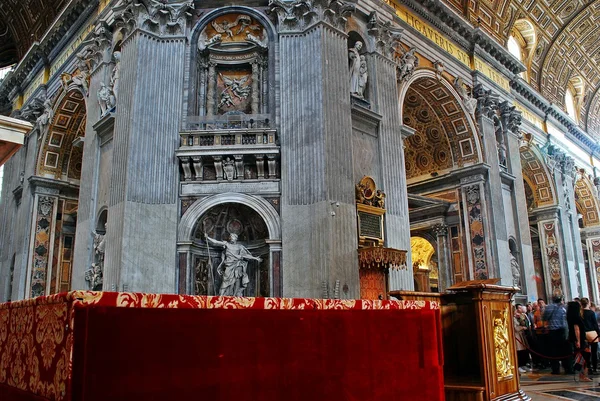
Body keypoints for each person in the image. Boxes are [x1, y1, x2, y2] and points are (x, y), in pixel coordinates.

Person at [205, 233, 262, 297]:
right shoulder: (227, 244)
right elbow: (216, 242)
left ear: (236, 238)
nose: (231, 238)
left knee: (237, 279)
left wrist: (255, 258)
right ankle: (221, 295)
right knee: (225, 280)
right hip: (229, 265)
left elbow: (245, 255)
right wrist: (208, 238)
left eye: (232, 237)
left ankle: (235, 295)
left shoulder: (240, 246)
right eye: (230, 237)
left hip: (237, 264)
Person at [543, 296, 573, 375]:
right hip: (563, 331)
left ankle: (555, 369)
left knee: (553, 351)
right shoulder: (565, 307)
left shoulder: (549, 307)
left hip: (553, 331)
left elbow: (544, 318)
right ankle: (568, 368)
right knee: (565, 351)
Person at [567, 301, 592, 381]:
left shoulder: (571, 317)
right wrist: (578, 341)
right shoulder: (576, 318)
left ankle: (582, 374)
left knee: (581, 357)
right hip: (579, 340)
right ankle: (583, 375)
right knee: (585, 356)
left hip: (577, 339)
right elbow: (576, 330)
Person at [581, 298, 599, 374]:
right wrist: (598, 333)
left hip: (584, 333)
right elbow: (595, 324)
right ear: (588, 303)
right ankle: (595, 367)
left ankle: (588, 367)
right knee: (594, 352)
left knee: (586, 353)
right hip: (592, 333)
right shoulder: (591, 312)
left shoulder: (580, 313)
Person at [514, 304, 529, 373]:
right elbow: (515, 327)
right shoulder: (512, 318)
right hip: (516, 335)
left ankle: (523, 364)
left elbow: (524, 323)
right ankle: (519, 366)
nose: (516, 311)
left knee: (523, 351)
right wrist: (522, 327)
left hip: (521, 335)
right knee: (519, 351)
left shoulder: (519, 317)